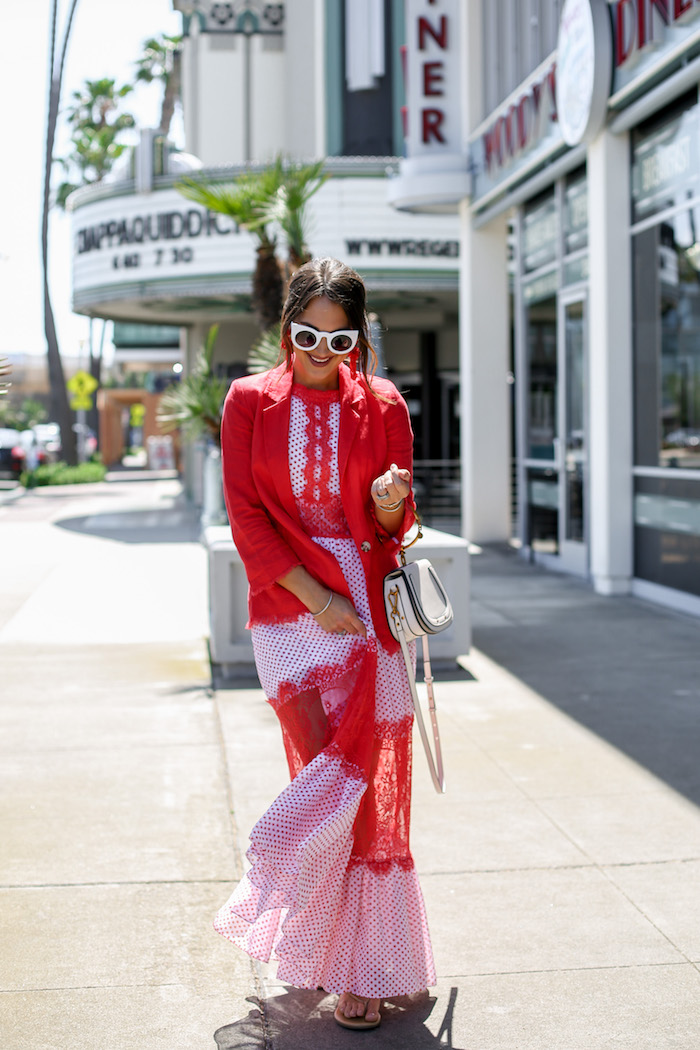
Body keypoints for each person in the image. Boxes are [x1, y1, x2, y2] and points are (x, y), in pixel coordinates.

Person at [215, 257, 435, 1030]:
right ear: (286, 329)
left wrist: (389, 505)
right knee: (320, 776)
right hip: (289, 608)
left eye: (340, 340)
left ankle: (365, 968)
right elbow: (246, 515)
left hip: (368, 611)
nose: (321, 352)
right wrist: (318, 599)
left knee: (365, 787)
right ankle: (324, 944)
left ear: (359, 339)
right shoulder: (247, 402)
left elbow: (397, 529)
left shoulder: (384, 404)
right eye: (308, 334)